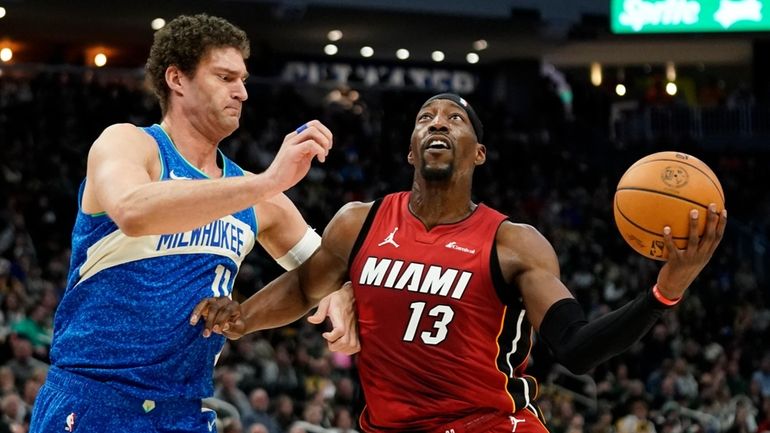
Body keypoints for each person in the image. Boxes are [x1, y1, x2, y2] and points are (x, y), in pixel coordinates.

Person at [194, 93, 727, 432]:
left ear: (477, 153)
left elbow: (578, 349)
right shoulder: (359, 222)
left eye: (455, 117)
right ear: (410, 151)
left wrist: (665, 290)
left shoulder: (513, 244)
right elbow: (304, 287)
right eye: (425, 117)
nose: (438, 123)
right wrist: (242, 318)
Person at [29, 14, 336, 433]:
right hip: (93, 399)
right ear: (177, 79)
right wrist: (266, 182)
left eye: (243, 80)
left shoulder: (257, 195)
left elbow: (328, 273)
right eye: (225, 77)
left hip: (184, 410)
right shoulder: (131, 144)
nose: (242, 92)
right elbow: (134, 210)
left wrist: (249, 316)